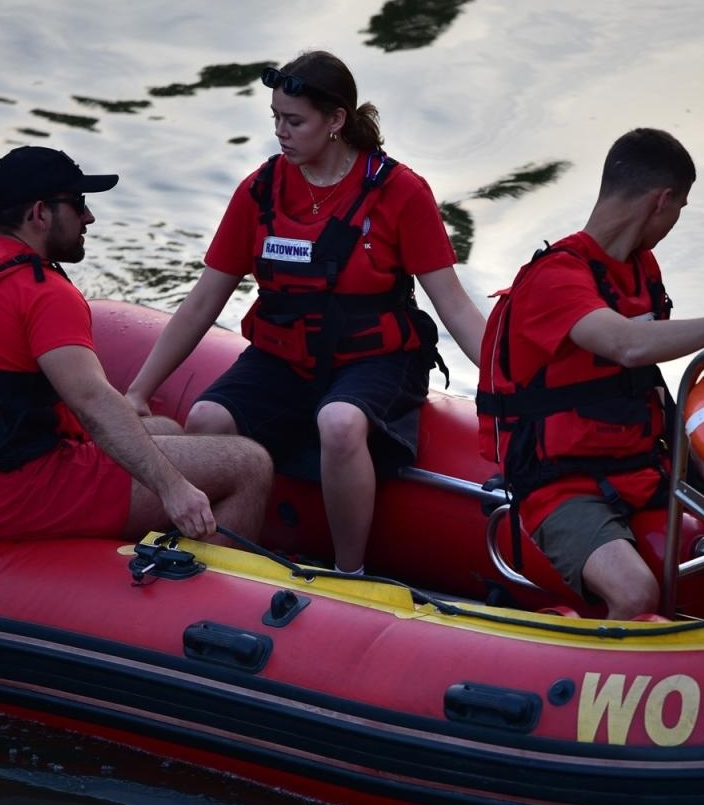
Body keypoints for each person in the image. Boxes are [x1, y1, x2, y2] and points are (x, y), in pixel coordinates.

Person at [127, 50, 485, 575]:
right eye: (275, 118)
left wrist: (511, 392)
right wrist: (138, 389)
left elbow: (453, 302)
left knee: (338, 422)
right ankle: (225, 552)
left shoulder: (400, 192)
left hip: (375, 360)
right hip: (284, 358)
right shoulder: (260, 190)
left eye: (294, 121)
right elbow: (204, 300)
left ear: (337, 120)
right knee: (206, 418)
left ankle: (348, 573)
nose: (281, 132)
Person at [476, 128, 704, 620]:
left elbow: (644, 374)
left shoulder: (640, 268)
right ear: (663, 200)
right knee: (634, 593)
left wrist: (689, 448)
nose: (675, 220)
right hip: (562, 483)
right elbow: (626, 345)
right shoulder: (555, 278)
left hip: (639, 467)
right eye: (680, 208)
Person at [0, 145, 271, 544]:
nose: (89, 217)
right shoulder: (42, 291)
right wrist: (174, 489)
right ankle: (197, 598)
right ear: (40, 213)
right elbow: (91, 401)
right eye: (77, 204)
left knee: (165, 428)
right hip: (18, 496)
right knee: (249, 464)